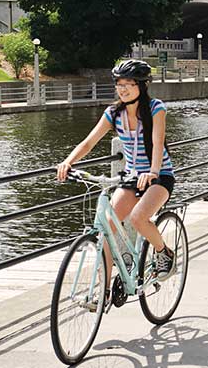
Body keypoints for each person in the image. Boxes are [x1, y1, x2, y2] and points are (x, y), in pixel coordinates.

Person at [56, 60, 177, 290]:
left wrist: (152, 171)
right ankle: (104, 290)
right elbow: (89, 141)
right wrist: (68, 162)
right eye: (119, 84)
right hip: (132, 176)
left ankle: (164, 253)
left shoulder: (155, 108)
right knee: (107, 227)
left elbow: (157, 141)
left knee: (138, 217)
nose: (123, 89)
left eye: (129, 84)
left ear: (142, 86)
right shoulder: (113, 113)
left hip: (159, 175)